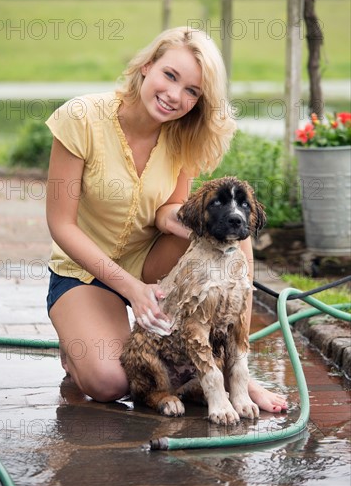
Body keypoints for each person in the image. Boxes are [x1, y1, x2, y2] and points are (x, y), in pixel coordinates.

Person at [45, 26, 287, 413]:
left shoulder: (182, 137)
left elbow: (166, 211)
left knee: (233, 232)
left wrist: (181, 223)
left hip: (150, 263)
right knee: (110, 383)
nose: (175, 96)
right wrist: (133, 290)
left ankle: (237, 371)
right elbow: (62, 226)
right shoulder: (82, 117)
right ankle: (75, 343)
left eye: (192, 91)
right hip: (84, 271)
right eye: (170, 76)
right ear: (146, 66)